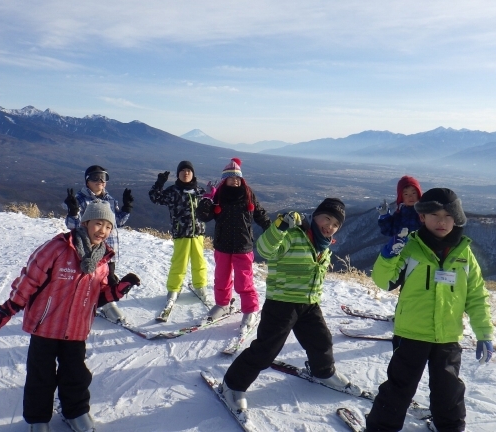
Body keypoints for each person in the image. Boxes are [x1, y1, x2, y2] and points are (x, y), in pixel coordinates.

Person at [0, 201, 141, 432]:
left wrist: (118, 289)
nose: (102, 230)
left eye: (107, 227)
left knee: (76, 375)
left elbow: (98, 297)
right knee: (40, 376)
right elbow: (29, 279)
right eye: (98, 223)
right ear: (85, 223)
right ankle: (38, 419)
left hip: (76, 330)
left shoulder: (103, 261)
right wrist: (9, 308)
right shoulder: (58, 248)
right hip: (45, 326)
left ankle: (75, 412)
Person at [366, 188, 494, 432]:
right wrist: (387, 256)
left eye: (448, 215)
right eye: (434, 215)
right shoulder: (410, 248)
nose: (442, 221)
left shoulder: (464, 254)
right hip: (411, 333)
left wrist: (484, 333)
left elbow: (476, 296)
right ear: (422, 217)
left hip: (448, 336)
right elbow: (384, 281)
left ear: (456, 219)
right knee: (399, 389)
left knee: (449, 393)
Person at [221, 198, 363, 414]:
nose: (330, 226)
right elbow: (264, 249)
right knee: (266, 349)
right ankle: (232, 384)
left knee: (321, 341)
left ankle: (323, 372)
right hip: (282, 303)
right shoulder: (293, 235)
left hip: (308, 303)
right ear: (316, 215)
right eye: (327, 218)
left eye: (336, 224)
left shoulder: (322, 245)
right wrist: (280, 227)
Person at [196, 158, 271, 327]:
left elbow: (259, 213)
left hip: (242, 245)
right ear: (225, 179)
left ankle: (250, 309)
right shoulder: (218, 195)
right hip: (222, 244)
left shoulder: (248, 194)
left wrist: (271, 229)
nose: (235, 180)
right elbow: (203, 216)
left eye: (238, 177)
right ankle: (222, 304)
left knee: (244, 280)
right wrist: (207, 199)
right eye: (231, 177)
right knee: (221, 277)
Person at [64, 165, 133, 323]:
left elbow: (117, 223)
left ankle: (104, 303)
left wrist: (127, 208)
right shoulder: (81, 200)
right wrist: (73, 211)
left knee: (108, 278)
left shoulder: (109, 200)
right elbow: (72, 225)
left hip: (109, 250)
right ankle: (82, 303)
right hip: (90, 249)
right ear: (87, 181)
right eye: (95, 177)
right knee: (88, 277)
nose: (100, 181)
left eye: (103, 177)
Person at [148, 160, 209, 310]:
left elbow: (211, 205)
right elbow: (155, 197)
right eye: (183, 171)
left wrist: (213, 194)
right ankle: (173, 289)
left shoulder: (199, 192)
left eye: (189, 170)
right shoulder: (173, 191)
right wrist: (159, 183)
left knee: (199, 262)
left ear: (193, 174)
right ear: (178, 174)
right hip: (181, 233)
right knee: (179, 263)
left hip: (198, 234)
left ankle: (200, 287)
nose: (186, 173)